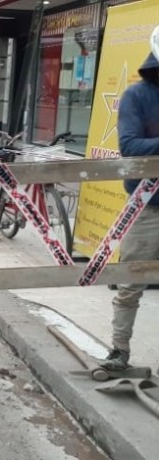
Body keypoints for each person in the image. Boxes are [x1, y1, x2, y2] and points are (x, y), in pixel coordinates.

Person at [101, 46, 159, 371]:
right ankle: (119, 351)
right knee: (130, 282)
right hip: (147, 206)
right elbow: (130, 146)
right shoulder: (137, 96)